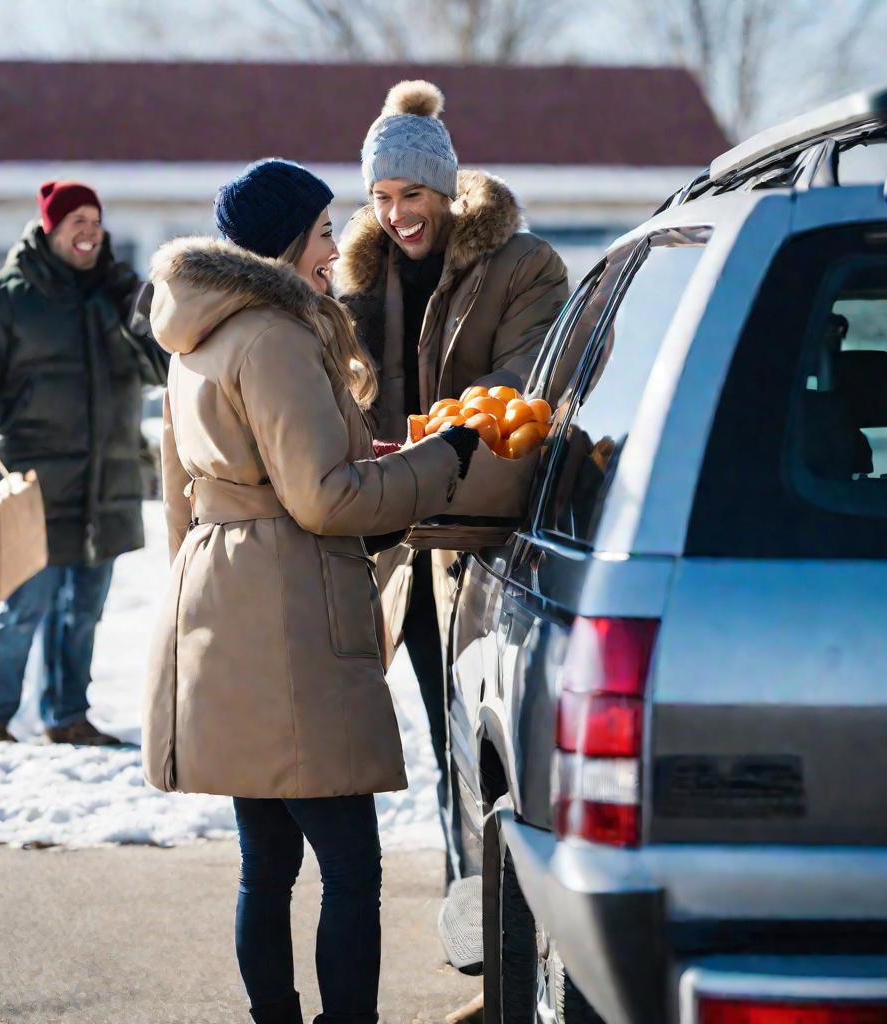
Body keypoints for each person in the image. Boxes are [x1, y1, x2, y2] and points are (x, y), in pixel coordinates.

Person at [141, 158, 480, 1024]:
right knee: (351, 866)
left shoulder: (196, 338)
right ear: (288, 240)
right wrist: (447, 460)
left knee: (266, 863)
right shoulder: (276, 335)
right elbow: (324, 499)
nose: (336, 249)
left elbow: (186, 497)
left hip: (220, 607)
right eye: (326, 230)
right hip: (289, 611)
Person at [335, 80, 569, 883]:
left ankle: (497, 942)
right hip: (399, 544)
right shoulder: (359, 284)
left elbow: (522, 384)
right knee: (444, 744)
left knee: (492, 749)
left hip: (489, 545)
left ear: (445, 188)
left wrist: (417, 443)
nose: (398, 213)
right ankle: (469, 920)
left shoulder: (522, 264)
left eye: (412, 194)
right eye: (381, 196)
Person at [0, 180, 166, 745]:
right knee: (24, 606)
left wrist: (144, 309)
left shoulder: (120, 292)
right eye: (75, 221)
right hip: (31, 481)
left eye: (95, 220)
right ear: (48, 227)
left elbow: (165, 364)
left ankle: (68, 717)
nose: (88, 231)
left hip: (106, 477)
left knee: (84, 609)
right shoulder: (7, 297)